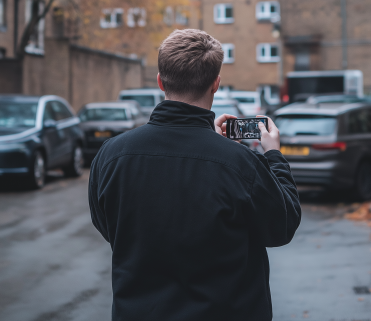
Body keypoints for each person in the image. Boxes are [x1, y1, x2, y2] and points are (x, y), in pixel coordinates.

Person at [89, 29, 301, 321]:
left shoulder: (111, 155)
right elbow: (283, 225)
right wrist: (273, 156)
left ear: (161, 81)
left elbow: (109, 227)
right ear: (215, 84)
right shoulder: (239, 163)